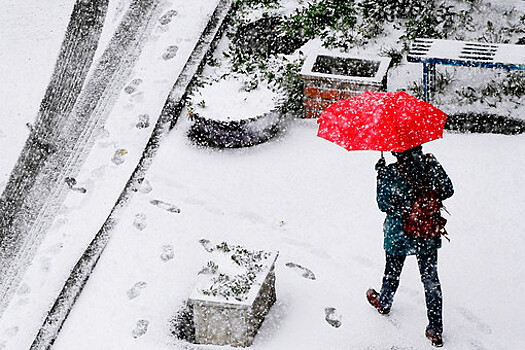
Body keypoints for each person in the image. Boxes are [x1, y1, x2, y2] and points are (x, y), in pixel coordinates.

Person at [366, 145, 454, 348]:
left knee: (392, 271)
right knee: (430, 280)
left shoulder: (390, 172)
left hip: (399, 231)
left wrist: (380, 174)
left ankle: (384, 302)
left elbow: (383, 204)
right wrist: (426, 198)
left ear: (395, 151)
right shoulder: (431, 163)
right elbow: (448, 190)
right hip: (426, 228)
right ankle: (435, 329)